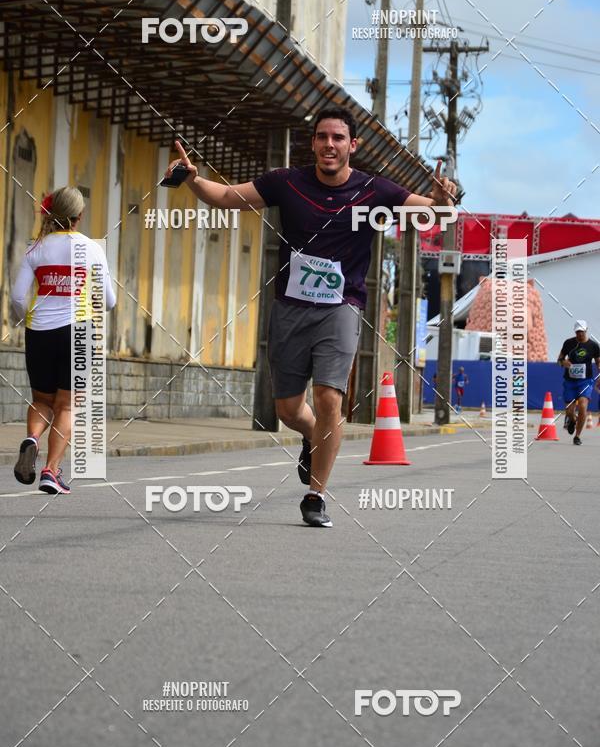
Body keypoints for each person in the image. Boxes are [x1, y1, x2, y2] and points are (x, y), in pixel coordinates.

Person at [165, 107, 456, 527]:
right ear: (313, 143)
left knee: (328, 398)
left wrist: (443, 200)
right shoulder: (287, 183)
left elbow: (435, 214)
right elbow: (227, 198)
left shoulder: (374, 190)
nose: (329, 145)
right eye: (322, 137)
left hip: (341, 308)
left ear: (353, 145)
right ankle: (310, 435)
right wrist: (193, 179)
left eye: (338, 137)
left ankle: (316, 496)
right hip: (290, 308)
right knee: (288, 409)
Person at [10, 187, 116, 493]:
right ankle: (51, 472)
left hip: (39, 333)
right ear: (79, 215)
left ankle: (32, 438)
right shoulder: (92, 249)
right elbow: (109, 301)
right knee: (67, 406)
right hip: (78, 332)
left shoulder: (35, 248)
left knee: (42, 401)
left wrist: (28, 319)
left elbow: (17, 298)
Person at [557, 320, 600, 445]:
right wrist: (563, 362)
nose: (579, 334)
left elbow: (598, 362)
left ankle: (577, 436)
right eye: (577, 332)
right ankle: (572, 419)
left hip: (585, 381)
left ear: (586, 330)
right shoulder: (568, 343)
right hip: (570, 382)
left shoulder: (593, 346)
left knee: (582, 406)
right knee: (569, 411)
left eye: (581, 331)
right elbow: (559, 359)